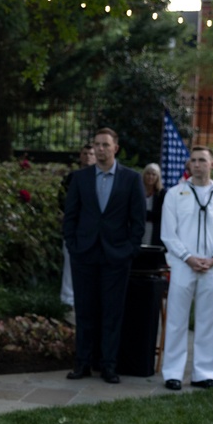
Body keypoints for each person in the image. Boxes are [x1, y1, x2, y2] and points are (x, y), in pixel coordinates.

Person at [62, 128, 145, 384]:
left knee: (112, 313)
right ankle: (82, 364)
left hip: (116, 256)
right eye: (97, 145)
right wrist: (73, 245)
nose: (100, 149)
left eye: (105, 145)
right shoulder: (80, 178)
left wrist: (129, 250)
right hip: (84, 254)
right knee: (85, 312)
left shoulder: (131, 179)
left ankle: (108, 365)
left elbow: (138, 221)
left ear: (115, 148)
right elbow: (70, 216)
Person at [160, 146, 213, 391]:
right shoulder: (174, 194)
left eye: (202, 160)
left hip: (212, 267)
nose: (197, 164)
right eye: (193, 160)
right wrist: (188, 257)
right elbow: (168, 234)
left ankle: (203, 373)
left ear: (212, 164)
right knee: (176, 320)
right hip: (183, 265)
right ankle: (172, 373)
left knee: (208, 319)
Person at [59, 144, 96, 308]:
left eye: (91, 154)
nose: (88, 156)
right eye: (85, 153)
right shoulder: (72, 177)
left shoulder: (100, 177)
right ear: (80, 156)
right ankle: (67, 299)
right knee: (70, 262)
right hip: (74, 226)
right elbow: (61, 200)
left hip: (93, 228)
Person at [142, 163, 167, 247]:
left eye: (153, 174)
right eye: (148, 174)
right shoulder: (138, 191)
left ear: (158, 177)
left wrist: (143, 214)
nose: (150, 177)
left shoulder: (162, 194)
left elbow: (160, 214)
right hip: (139, 228)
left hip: (155, 230)